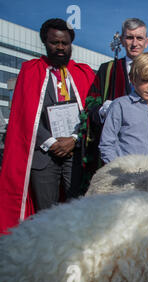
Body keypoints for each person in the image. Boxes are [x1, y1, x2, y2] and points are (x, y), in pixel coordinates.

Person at [0, 18, 95, 235]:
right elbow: (24, 115)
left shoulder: (84, 73)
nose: (60, 47)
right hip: (44, 157)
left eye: (65, 43)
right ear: (45, 42)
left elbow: (89, 114)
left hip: (75, 155)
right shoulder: (30, 71)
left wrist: (74, 139)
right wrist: (51, 142)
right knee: (46, 216)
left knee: (77, 210)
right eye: (55, 43)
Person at [82, 18, 148, 189]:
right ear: (122, 40)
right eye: (130, 38)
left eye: (139, 38)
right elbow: (90, 106)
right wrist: (102, 110)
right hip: (120, 167)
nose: (134, 43)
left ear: (147, 41)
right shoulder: (107, 70)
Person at [99, 52, 148, 163]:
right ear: (132, 79)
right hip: (127, 175)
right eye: (145, 80)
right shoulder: (120, 105)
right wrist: (118, 171)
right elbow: (107, 144)